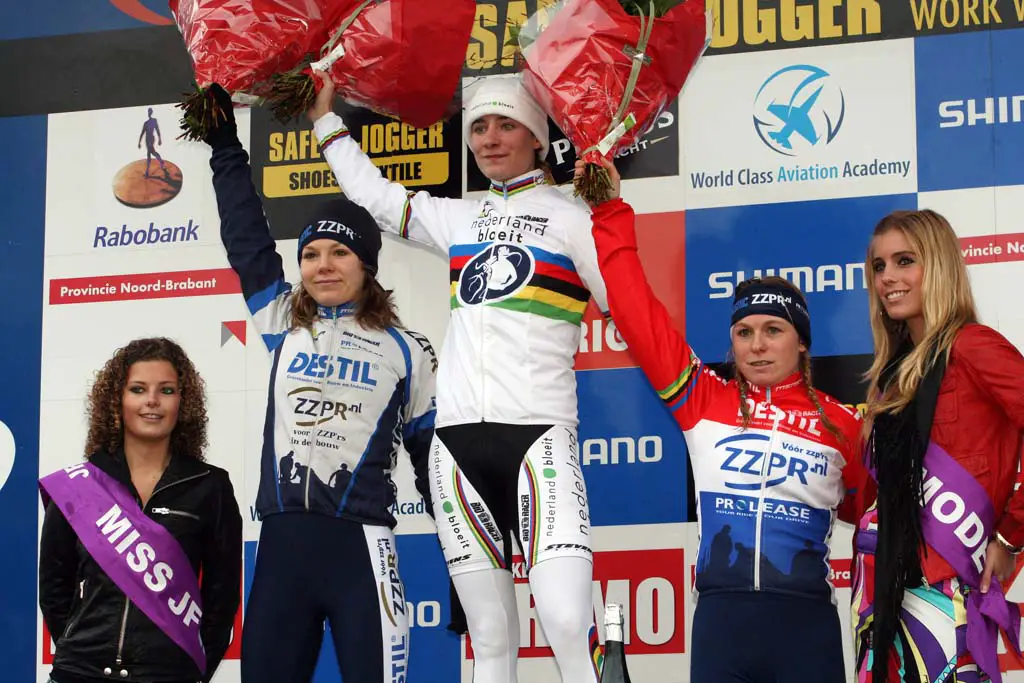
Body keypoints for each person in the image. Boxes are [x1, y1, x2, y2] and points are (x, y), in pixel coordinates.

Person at [308, 72, 610, 683]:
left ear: (538, 136)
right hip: (455, 450)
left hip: (538, 436)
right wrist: (324, 121)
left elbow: (629, 306)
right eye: (479, 127)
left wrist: (609, 204)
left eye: (507, 125)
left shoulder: (575, 219)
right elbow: (374, 195)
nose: (491, 139)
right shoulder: (458, 219)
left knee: (567, 619)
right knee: (490, 639)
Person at [579, 158, 871, 682]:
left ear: (801, 340)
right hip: (722, 623)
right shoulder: (703, 399)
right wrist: (608, 211)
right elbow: (635, 309)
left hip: (807, 626)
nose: (757, 345)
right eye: (744, 332)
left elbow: (872, 511)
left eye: (773, 330)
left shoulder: (842, 424)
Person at [202, 83, 439, 683]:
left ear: (367, 267)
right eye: (312, 255)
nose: (324, 265)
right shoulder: (283, 322)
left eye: (340, 253)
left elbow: (432, 469)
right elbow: (246, 236)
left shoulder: (407, 352)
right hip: (282, 552)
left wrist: (466, 574)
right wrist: (225, 144)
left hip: (362, 553)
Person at [852, 209, 1024, 683]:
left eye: (904, 260)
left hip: (945, 593)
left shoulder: (974, 347)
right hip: (879, 595)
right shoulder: (889, 377)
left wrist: (1011, 534)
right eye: (879, 266)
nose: (888, 278)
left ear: (940, 264)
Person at [38, 337, 243, 683]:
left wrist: (188, 670)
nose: (152, 401)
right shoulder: (81, 485)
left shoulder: (211, 486)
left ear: (183, 402)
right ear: (116, 400)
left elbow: (221, 601)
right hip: (81, 673)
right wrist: (80, 655)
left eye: (166, 390)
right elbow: (54, 588)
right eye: (137, 389)